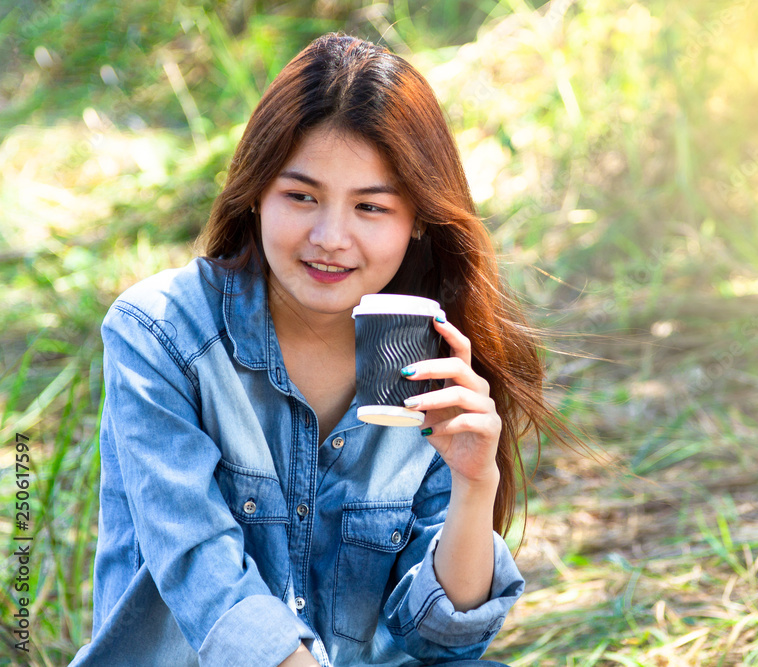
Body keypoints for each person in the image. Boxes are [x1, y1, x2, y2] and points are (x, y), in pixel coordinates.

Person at [70, 32, 568, 666]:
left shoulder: (435, 357)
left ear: (417, 218)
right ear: (255, 192)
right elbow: (201, 569)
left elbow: (443, 640)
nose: (331, 237)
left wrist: (475, 485)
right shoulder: (161, 332)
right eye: (301, 196)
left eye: (371, 206)